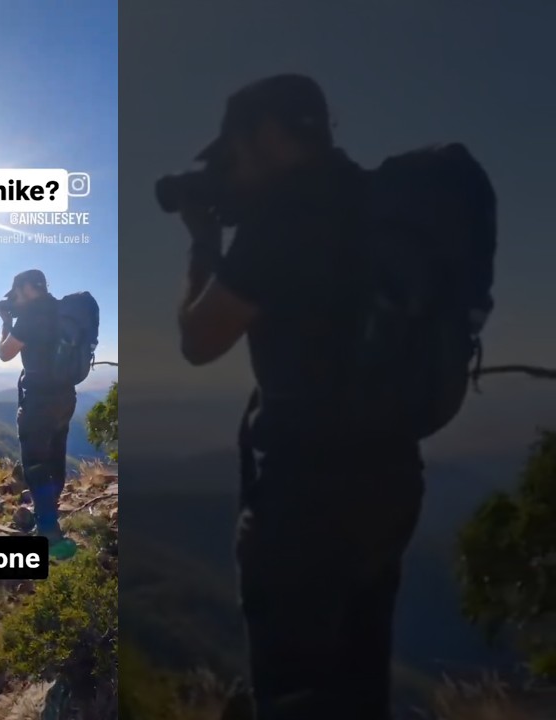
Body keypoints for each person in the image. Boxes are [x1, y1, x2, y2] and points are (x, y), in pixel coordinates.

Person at [174, 74, 425, 720]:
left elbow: (200, 339)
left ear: (268, 134)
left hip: (305, 497)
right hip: (390, 474)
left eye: (233, 149)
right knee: (359, 680)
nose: (230, 167)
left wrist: (204, 241)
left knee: (294, 693)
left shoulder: (287, 219)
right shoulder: (368, 202)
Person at [0, 269, 79, 559]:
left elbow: (5, 353)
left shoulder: (30, 317)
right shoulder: (61, 311)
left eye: (17, 293)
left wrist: (6, 324)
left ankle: (47, 530)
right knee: (55, 457)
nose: (15, 298)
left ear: (29, 289)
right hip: (65, 396)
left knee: (34, 463)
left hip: (40, 401)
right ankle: (49, 514)